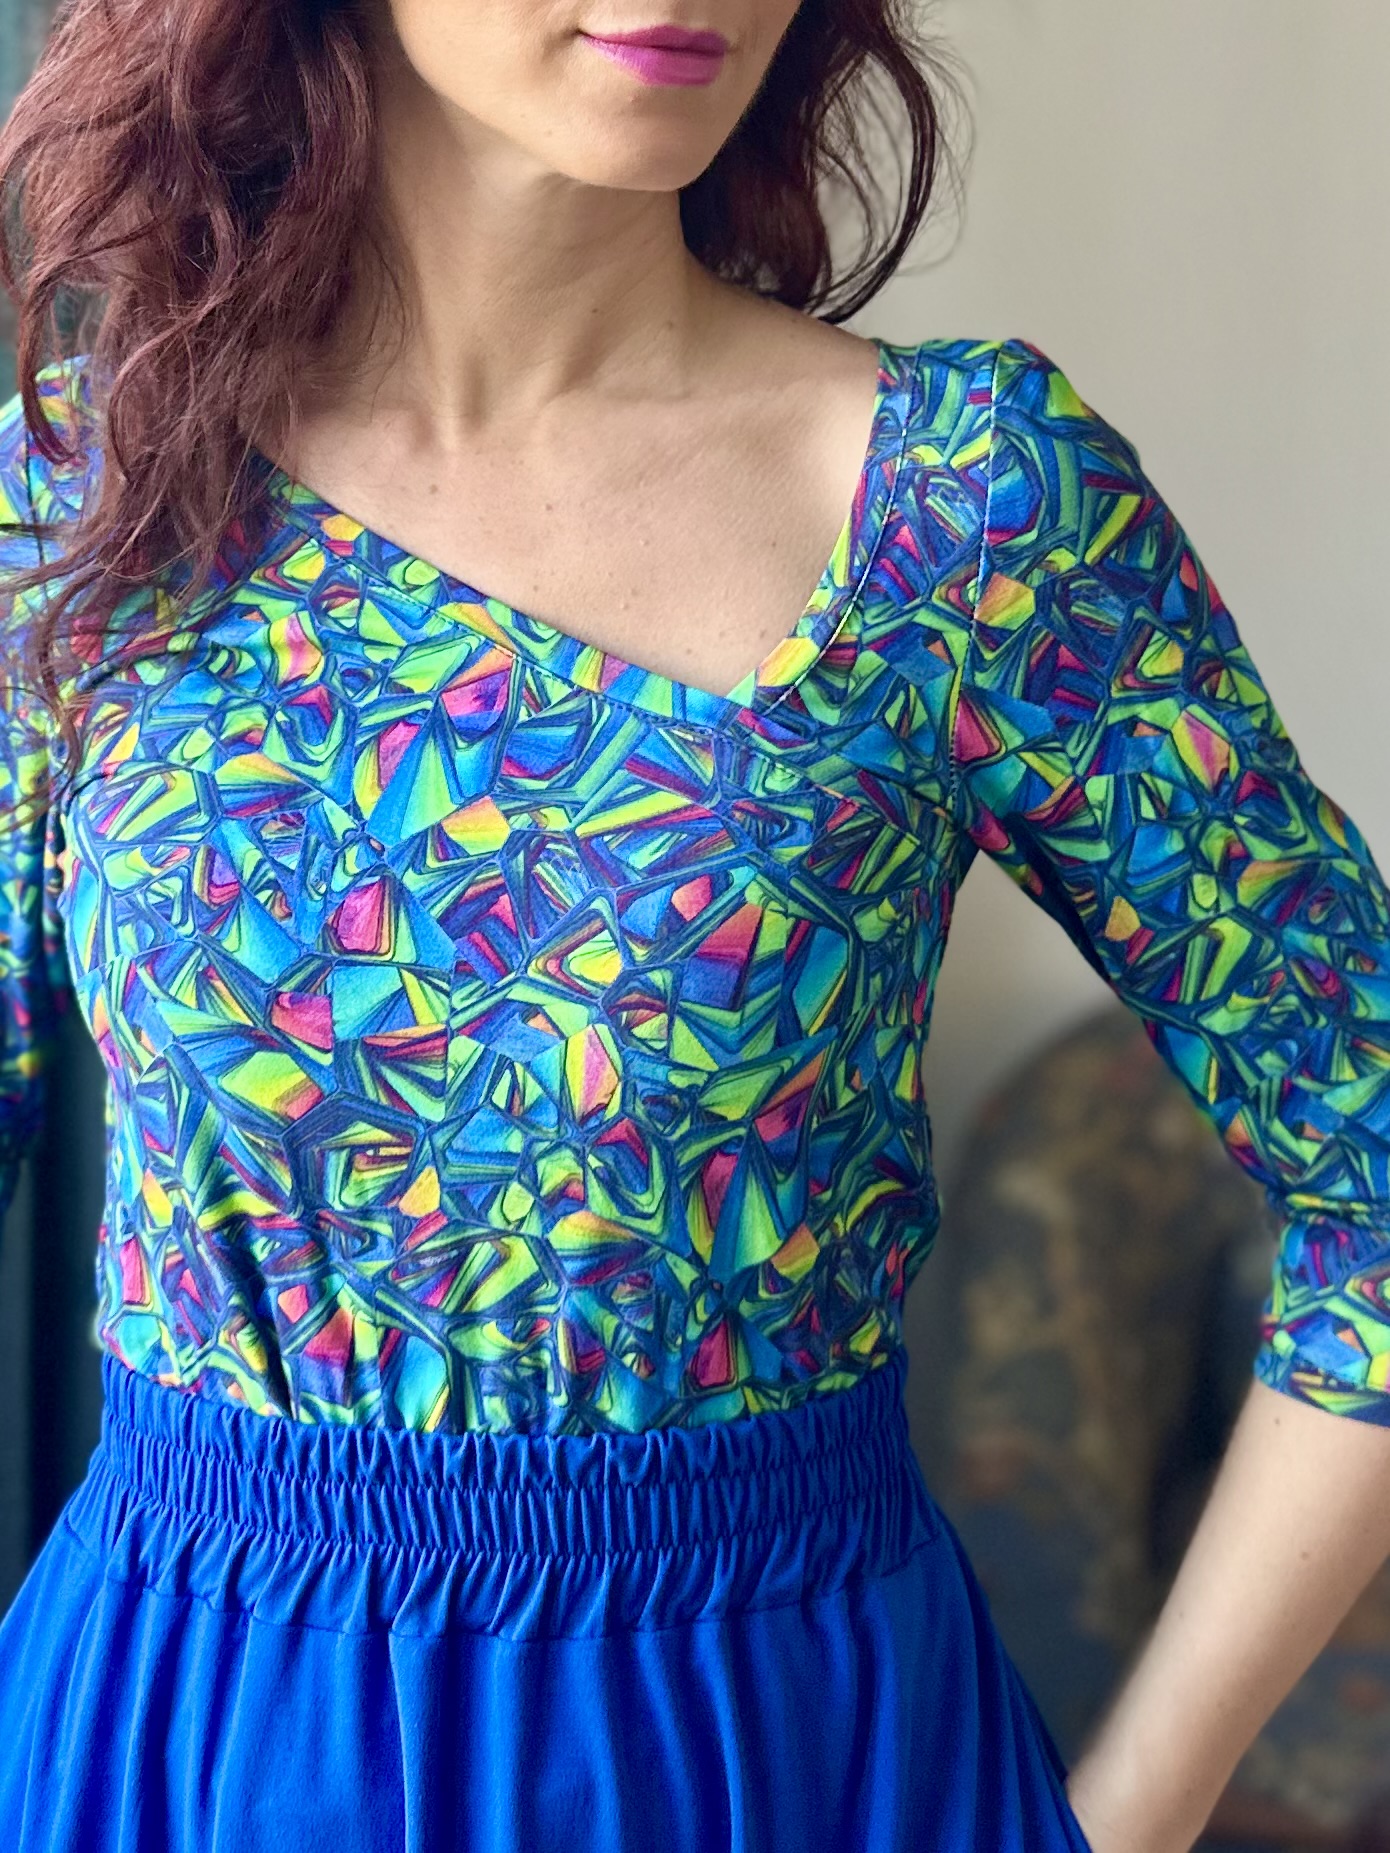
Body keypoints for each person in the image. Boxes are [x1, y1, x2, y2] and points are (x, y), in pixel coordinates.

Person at [0, 0, 1387, 1848]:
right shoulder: (82, 494)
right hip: (182, 1737)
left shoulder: (963, 508)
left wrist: (1126, 1814)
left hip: (762, 1750)